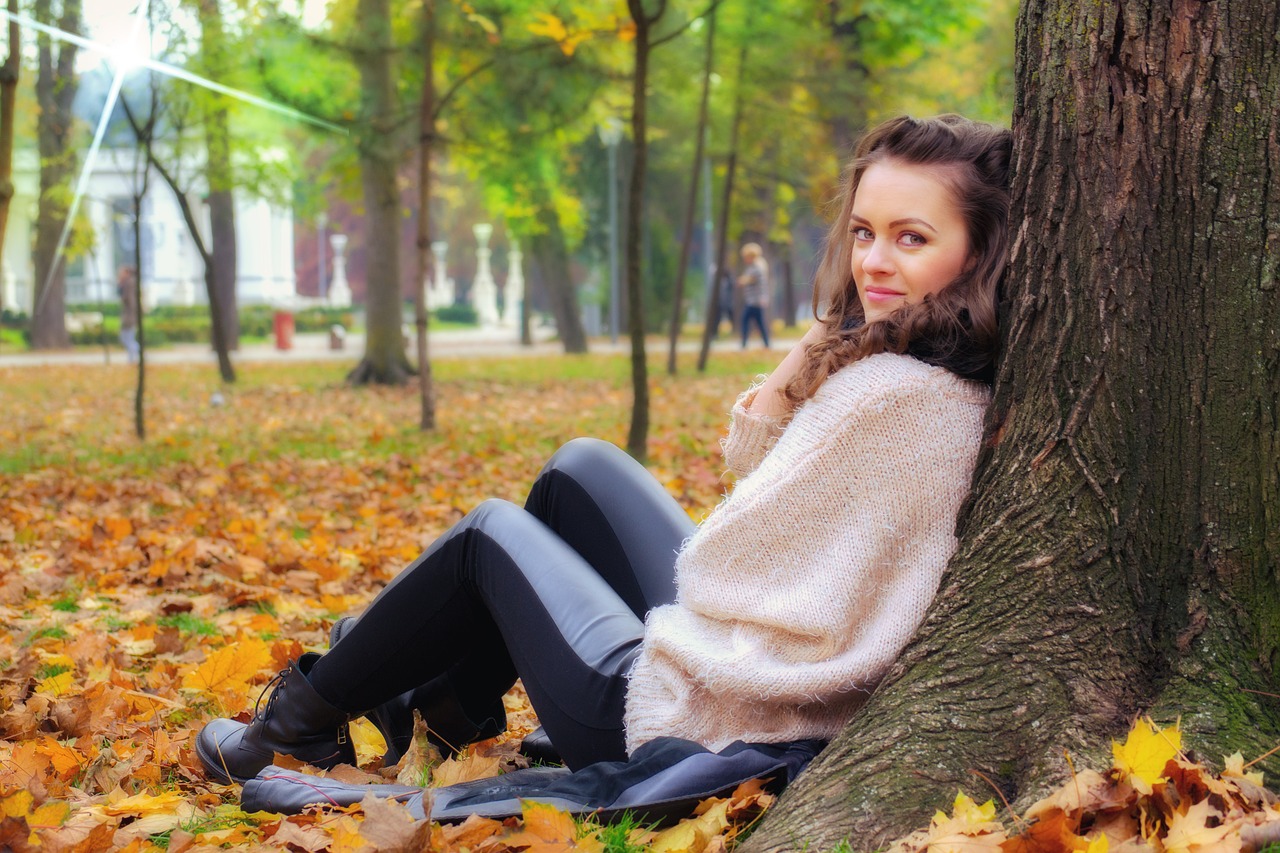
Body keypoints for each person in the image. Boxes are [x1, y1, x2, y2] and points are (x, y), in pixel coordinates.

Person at [196, 114, 1013, 787]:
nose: (873, 260)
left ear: (978, 249)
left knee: (488, 534)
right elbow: (760, 465)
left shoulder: (894, 395)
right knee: (579, 469)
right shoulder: (923, 366)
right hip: (748, 677)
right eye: (864, 231)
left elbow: (725, 548)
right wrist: (837, 326)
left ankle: (295, 726)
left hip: (697, 715)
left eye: (911, 239)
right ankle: (454, 704)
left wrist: (839, 346)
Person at [736, 243, 771, 348]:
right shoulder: (755, 266)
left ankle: (744, 344)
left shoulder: (756, 267)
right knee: (759, 323)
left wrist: (742, 281)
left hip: (754, 301)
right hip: (753, 300)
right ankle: (766, 343)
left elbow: (751, 279)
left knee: (746, 320)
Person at [117, 266, 140, 364]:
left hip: (129, 315)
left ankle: (136, 354)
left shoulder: (129, 283)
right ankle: (132, 358)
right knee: (127, 337)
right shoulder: (127, 283)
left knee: (126, 337)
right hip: (129, 314)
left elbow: (130, 300)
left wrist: (133, 313)